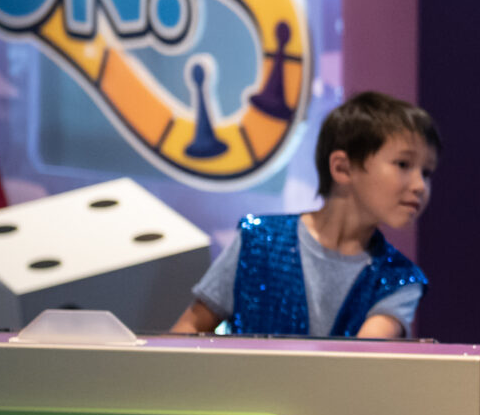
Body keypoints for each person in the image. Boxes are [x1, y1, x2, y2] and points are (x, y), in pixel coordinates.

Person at [171, 92, 435, 338]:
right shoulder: (258, 241)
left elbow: (358, 365)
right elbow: (190, 327)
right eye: (403, 164)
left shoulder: (400, 278)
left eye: (426, 172)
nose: (420, 186)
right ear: (342, 168)